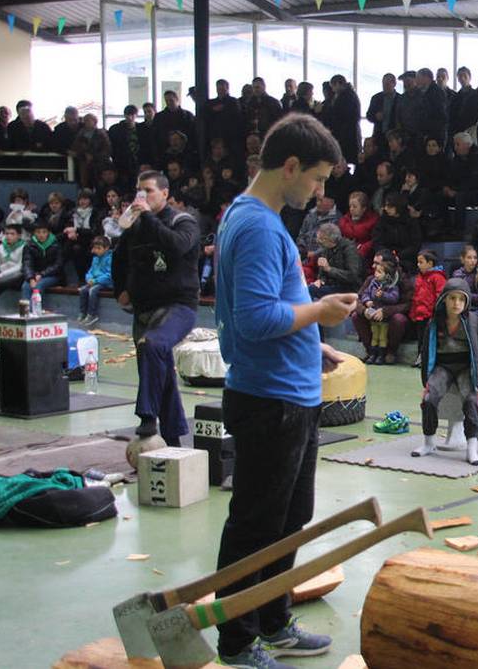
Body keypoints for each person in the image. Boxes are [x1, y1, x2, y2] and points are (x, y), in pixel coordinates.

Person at [213, 113, 354, 668]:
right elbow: (252, 318)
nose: (319, 192)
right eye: (317, 179)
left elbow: (270, 308)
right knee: (256, 524)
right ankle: (236, 639)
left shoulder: (255, 217)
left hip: (290, 391)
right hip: (269, 399)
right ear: (290, 166)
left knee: (288, 518)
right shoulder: (256, 226)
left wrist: (312, 338)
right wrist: (317, 311)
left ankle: (272, 619)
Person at [112, 170, 200, 447]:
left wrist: (147, 216)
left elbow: (176, 247)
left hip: (178, 305)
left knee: (153, 345)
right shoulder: (136, 226)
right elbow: (119, 257)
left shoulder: (183, 221)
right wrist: (120, 291)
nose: (142, 196)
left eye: (148, 191)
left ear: (165, 193)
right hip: (144, 306)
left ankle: (147, 415)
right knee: (157, 365)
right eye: (139, 191)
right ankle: (173, 438)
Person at [411, 278, 478, 465]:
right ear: (444, 300)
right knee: (429, 400)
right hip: (443, 367)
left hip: (466, 367)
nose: (457, 303)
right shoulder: (434, 323)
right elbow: (425, 351)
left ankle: (472, 448)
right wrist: (427, 380)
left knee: (471, 402)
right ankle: (429, 442)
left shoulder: (476, 322)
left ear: (467, 302)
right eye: (452, 298)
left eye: (461, 299)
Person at [355, 255, 403, 364]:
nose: (375, 272)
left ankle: (385, 354)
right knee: (374, 334)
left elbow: (396, 299)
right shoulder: (372, 282)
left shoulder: (393, 284)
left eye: (379, 270)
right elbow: (363, 294)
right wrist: (366, 304)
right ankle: (372, 353)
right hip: (373, 314)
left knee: (382, 336)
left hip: (386, 317)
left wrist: (383, 298)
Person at [307, 223, 361, 301]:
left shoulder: (349, 249)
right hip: (331, 284)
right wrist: (321, 280)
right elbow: (322, 271)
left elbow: (352, 276)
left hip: (347, 288)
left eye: (322, 239)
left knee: (311, 291)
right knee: (309, 288)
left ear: (331, 240)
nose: (318, 241)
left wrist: (329, 269)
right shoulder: (326, 248)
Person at [21, 220, 63, 301]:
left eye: (44, 232)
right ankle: (25, 311)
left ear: (48, 233)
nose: (41, 235)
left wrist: (42, 274)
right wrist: (31, 278)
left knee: (39, 285)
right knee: (26, 286)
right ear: (34, 233)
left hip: (52, 275)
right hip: (34, 275)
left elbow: (58, 265)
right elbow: (27, 263)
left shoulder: (56, 245)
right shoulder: (29, 246)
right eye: (38, 232)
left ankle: (36, 310)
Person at [77, 235, 113, 326]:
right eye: (95, 248)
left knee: (92, 290)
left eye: (99, 248)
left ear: (106, 248)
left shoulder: (110, 258)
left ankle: (92, 314)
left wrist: (96, 280)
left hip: (106, 283)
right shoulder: (95, 259)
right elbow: (90, 271)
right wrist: (89, 278)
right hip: (94, 281)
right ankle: (82, 313)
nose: (96, 250)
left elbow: (109, 274)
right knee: (83, 290)